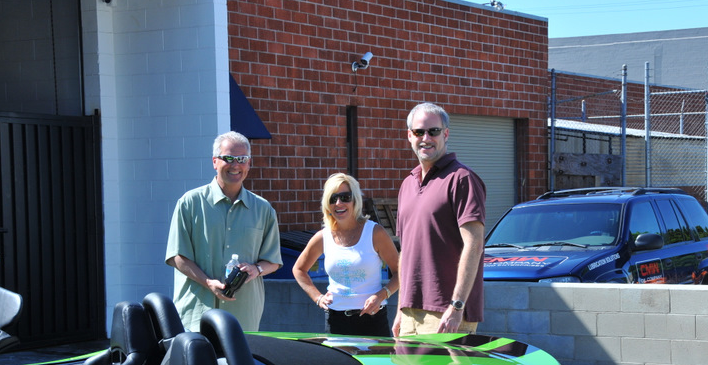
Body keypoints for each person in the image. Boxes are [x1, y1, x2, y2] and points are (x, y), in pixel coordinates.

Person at [165, 131, 282, 332]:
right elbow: (177, 257)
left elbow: (273, 261)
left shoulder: (263, 209)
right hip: (197, 311)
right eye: (228, 158)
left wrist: (256, 269)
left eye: (242, 159)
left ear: (249, 164)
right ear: (214, 162)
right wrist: (208, 282)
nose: (235, 165)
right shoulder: (190, 203)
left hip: (244, 314)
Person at [392, 102, 487, 337]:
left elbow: (474, 245)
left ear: (445, 134)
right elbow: (405, 253)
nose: (426, 138)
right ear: (409, 136)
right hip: (410, 314)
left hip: (446, 314)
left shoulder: (462, 179)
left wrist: (457, 306)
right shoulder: (407, 184)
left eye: (433, 131)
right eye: (419, 132)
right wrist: (400, 309)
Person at [293, 173, 399, 336]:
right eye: (332, 198)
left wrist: (381, 295)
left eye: (345, 197)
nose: (338, 203)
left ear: (355, 200)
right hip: (336, 321)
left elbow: (401, 272)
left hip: (372, 320)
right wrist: (317, 297)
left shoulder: (375, 232)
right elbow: (299, 269)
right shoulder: (323, 236)